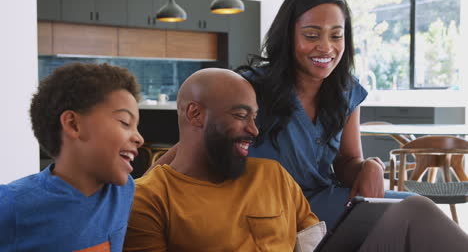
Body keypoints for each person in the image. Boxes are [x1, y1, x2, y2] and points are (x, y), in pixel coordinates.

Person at [125, 68, 468, 252]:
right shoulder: (149, 199)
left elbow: (312, 243)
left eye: (256, 116)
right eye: (241, 115)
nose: (255, 130)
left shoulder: (272, 175)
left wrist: (371, 166)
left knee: (414, 209)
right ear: (195, 114)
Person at [234, 0, 417, 228]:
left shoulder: (347, 90)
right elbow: (199, 146)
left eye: (336, 35)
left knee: (417, 207)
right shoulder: (249, 87)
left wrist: (369, 167)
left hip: (320, 202)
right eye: (311, 35)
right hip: (264, 210)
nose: (326, 47)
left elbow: (347, 162)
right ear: (288, 36)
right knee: (411, 219)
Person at [0, 63, 144, 251]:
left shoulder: (123, 190)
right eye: (125, 122)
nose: (139, 138)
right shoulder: (12, 204)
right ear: (73, 124)